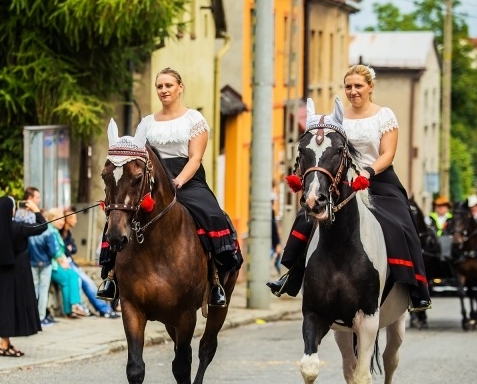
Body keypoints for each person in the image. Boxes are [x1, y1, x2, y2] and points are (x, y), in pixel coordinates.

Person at [267, 64, 431, 312]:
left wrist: (367, 172)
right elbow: (323, 151)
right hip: (341, 182)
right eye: (348, 86)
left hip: (378, 179)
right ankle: (292, 275)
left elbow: (388, 153)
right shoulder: (337, 118)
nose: (353, 91)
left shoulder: (384, 116)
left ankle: (417, 288)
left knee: (401, 223)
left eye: (358, 86)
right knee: (306, 216)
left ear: (370, 87)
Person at [97, 67, 243, 306]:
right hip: (153, 181)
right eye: (159, 86)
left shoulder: (194, 119)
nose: (163, 90)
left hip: (187, 178)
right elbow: (139, 159)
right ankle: (111, 276)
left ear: (180, 87)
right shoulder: (147, 122)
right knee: (119, 214)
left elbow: (195, 158)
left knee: (213, 214)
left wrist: (179, 181)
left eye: (168, 85)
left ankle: (217, 278)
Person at [0, 196, 48, 357]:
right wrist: (36, 210)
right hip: (19, 270)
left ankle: (6, 343)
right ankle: (3, 345)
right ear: (11, 210)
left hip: (1, 271)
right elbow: (42, 226)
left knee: (4, 305)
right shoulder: (19, 227)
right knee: (14, 304)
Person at [61, 207, 119, 319]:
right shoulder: (59, 233)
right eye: (73, 218)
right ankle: (101, 310)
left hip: (70, 262)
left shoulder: (67, 233)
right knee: (85, 282)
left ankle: (103, 309)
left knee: (89, 283)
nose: (76, 220)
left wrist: (69, 249)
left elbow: (74, 249)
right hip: (65, 264)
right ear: (67, 219)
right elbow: (63, 250)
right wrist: (68, 249)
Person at [46, 207, 91, 319]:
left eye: (63, 219)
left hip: (58, 263)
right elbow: (53, 250)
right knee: (67, 279)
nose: (62, 222)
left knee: (73, 275)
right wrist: (61, 260)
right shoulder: (50, 231)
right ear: (52, 218)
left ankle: (73, 307)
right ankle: (72, 307)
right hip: (52, 265)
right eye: (60, 219)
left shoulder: (55, 231)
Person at [27, 215, 58, 326]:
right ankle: (41, 317)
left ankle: (32, 316)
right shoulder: (48, 231)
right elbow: (53, 251)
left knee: (34, 289)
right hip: (45, 263)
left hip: (33, 263)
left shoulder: (31, 230)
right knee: (43, 290)